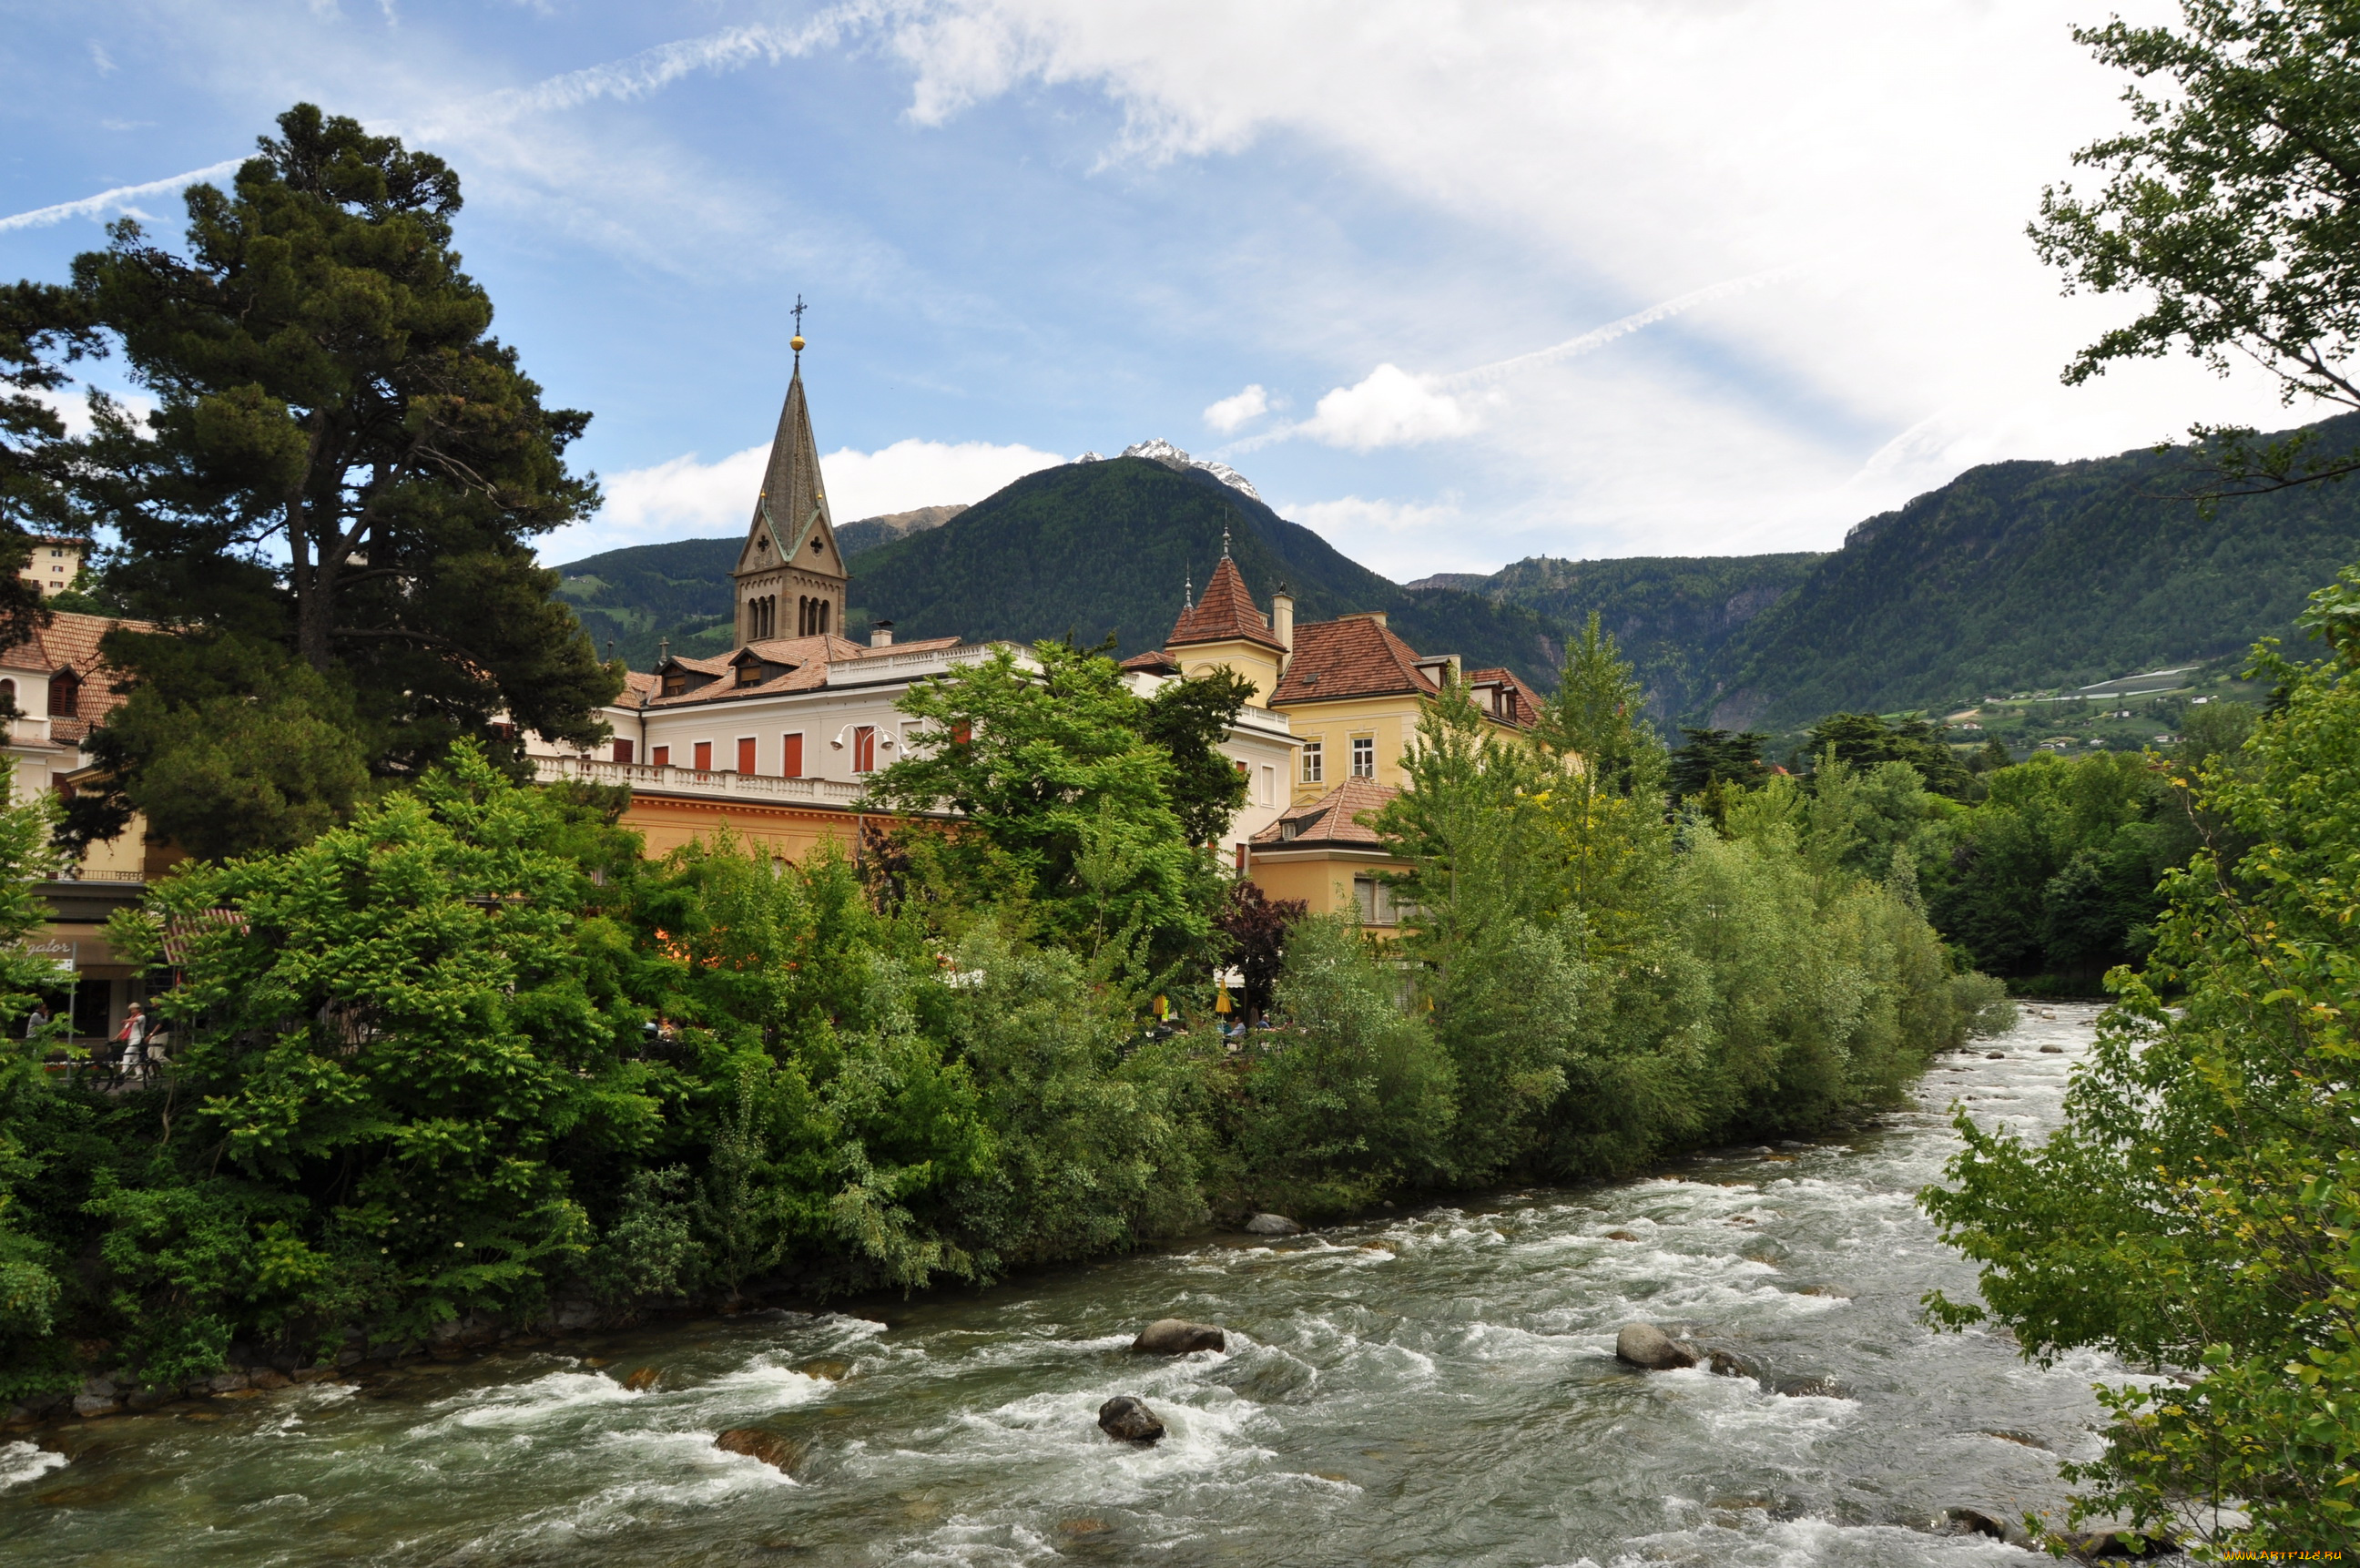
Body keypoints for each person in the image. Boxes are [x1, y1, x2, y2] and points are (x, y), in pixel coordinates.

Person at [113, 1003, 150, 1085]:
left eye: (133, 1009)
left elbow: (136, 1020)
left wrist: (126, 1020)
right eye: (131, 1010)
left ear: (138, 1009)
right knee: (135, 1057)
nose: (132, 1011)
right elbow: (124, 1029)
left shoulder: (141, 1017)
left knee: (127, 1054)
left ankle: (123, 1072)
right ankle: (140, 1073)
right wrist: (117, 1036)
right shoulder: (130, 1019)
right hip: (131, 1039)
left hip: (137, 1039)